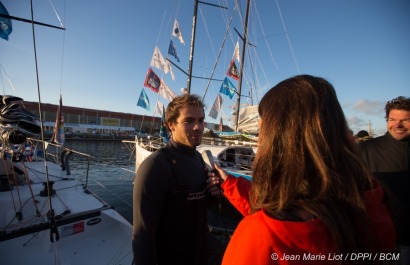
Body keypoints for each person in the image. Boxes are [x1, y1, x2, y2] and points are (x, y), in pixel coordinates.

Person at [208, 75, 396, 264]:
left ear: (277, 133)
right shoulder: (370, 205)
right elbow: (278, 205)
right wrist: (229, 184)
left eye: (262, 124)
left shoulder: (261, 236)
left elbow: (276, 220)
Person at [132, 94, 213, 265]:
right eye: (189, 121)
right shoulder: (155, 166)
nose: (198, 127)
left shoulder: (198, 158)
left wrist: (215, 195)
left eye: (201, 120)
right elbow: (142, 236)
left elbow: (196, 208)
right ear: (171, 125)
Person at [359, 96, 410, 265]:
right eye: (392, 119)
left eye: (405, 120)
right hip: (382, 241)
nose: (398, 125)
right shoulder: (365, 150)